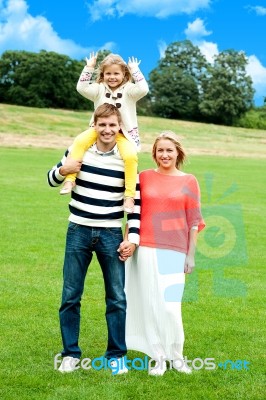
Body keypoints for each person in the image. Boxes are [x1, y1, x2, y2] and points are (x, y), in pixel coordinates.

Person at [47, 103, 140, 374]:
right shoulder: (78, 150)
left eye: (112, 125)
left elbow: (134, 202)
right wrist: (63, 171)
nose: (107, 130)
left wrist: (131, 238)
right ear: (94, 125)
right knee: (71, 295)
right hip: (78, 230)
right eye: (103, 124)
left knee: (116, 298)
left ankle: (116, 355)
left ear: (119, 127)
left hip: (111, 233)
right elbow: (50, 178)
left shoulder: (126, 157)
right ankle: (70, 354)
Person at [118, 131, 205, 376]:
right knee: (150, 304)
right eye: (160, 150)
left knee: (170, 306)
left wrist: (191, 254)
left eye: (169, 150)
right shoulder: (143, 177)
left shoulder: (189, 180)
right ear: (154, 153)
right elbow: (133, 213)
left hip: (175, 251)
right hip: (144, 248)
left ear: (178, 153)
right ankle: (157, 356)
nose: (164, 155)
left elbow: (194, 221)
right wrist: (128, 241)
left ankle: (176, 355)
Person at [60, 52, 149, 214]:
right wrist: (89, 67)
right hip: (98, 130)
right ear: (102, 74)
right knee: (78, 143)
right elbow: (81, 88)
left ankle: (129, 196)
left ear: (124, 74)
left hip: (123, 134)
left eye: (116, 73)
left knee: (130, 157)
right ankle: (70, 180)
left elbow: (143, 89)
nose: (112, 77)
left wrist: (135, 69)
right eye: (108, 73)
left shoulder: (129, 90)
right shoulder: (99, 89)